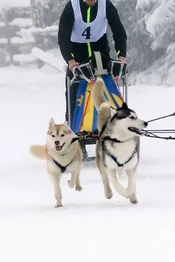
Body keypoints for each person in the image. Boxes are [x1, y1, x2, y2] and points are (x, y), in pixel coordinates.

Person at [57, 0, 127, 159]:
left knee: (106, 92)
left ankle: (112, 133)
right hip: (77, 53)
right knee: (75, 95)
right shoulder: (72, 6)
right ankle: (77, 139)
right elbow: (63, 37)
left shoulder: (105, 5)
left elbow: (118, 30)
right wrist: (70, 61)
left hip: (100, 50)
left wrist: (121, 56)